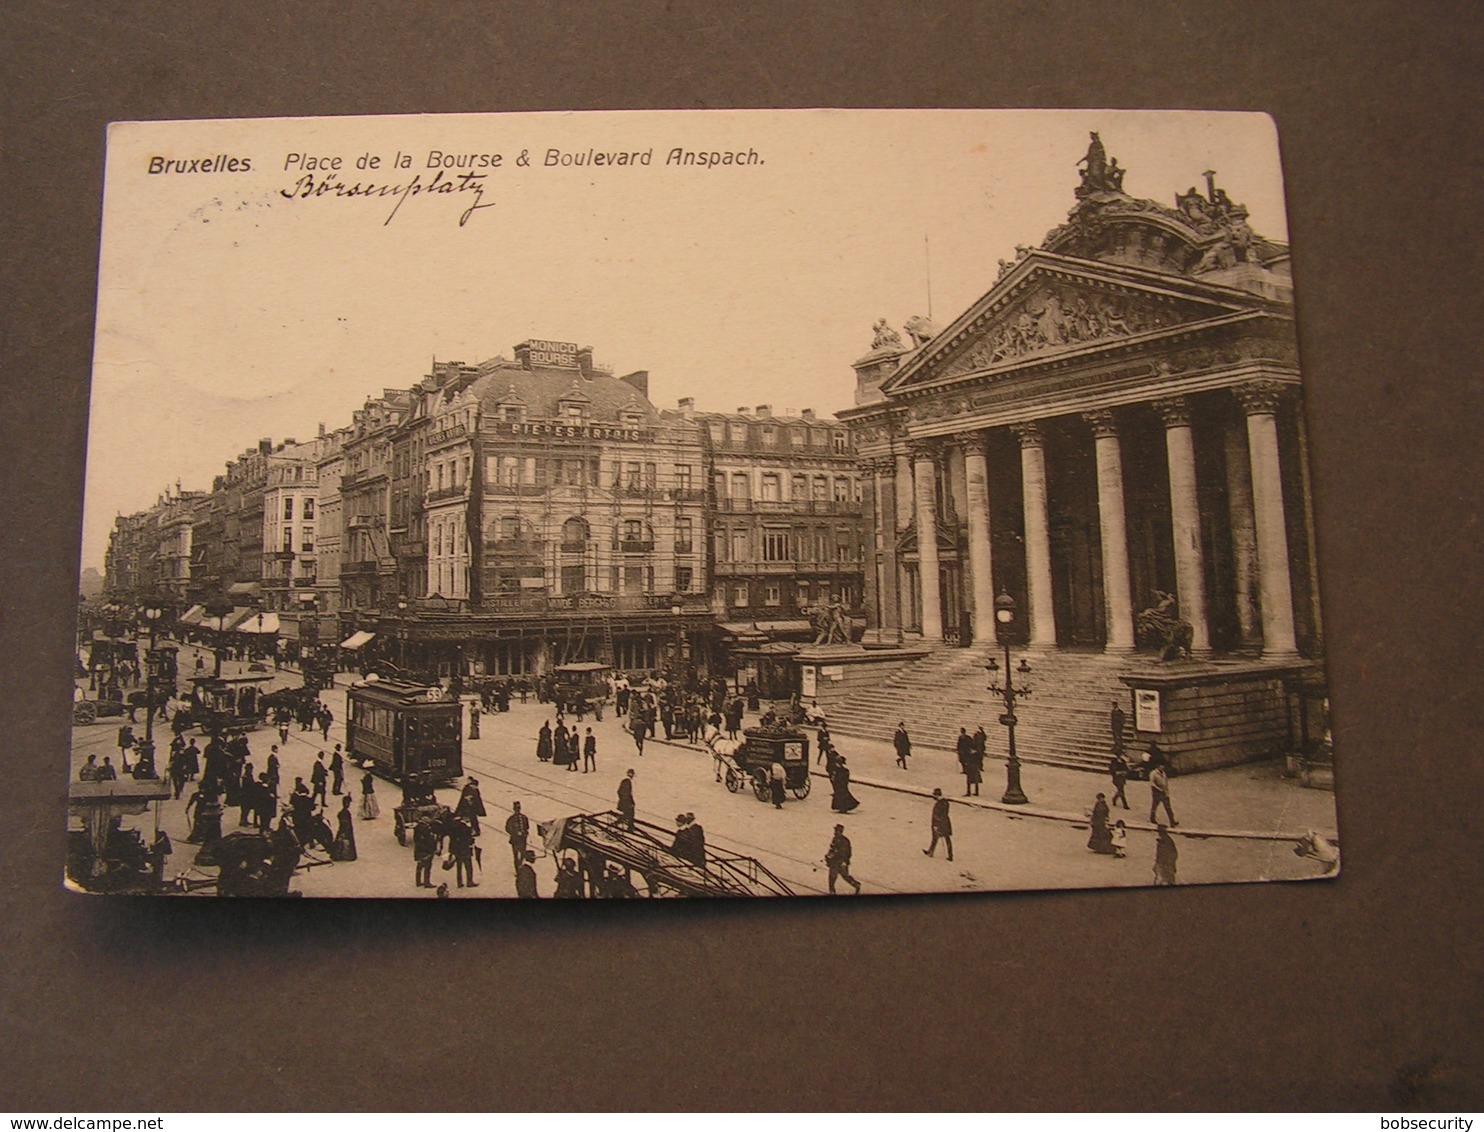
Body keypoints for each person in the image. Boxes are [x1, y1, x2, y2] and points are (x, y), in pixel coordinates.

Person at [825, 824, 862, 895]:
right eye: (835, 830)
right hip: (834, 862)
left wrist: (844, 861)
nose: (835, 832)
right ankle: (832, 892)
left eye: (837, 831)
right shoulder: (835, 839)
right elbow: (832, 849)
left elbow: (847, 852)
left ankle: (856, 885)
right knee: (831, 878)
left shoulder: (844, 841)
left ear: (840, 831)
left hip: (841, 862)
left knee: (845, 876)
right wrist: (828, 856)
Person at [924, 788, 953, 861]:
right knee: (942, 838)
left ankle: (949, 855)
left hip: (939, 823)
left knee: (939, 838)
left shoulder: (939, 804)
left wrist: (936, 824)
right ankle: (931, 852)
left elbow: (937, 815)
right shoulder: (945, 802)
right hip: (946, 822)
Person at [448, 816, 477, 888]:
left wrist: (451, 851)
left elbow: (451, 840)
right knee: (468, 866)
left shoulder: (452, 828)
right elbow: (471, 836)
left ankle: (459, 883)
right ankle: (469, 881)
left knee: (459, 867)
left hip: (457, 850)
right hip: (465, 849)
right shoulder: (464, 827)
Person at [412, 816, 438, 888]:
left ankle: (418, 881)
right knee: (427, 867)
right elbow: (428, 840)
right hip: (426, 851)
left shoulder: (418, 828)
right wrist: (431, 849)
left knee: (419, 866)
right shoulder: (425, 828)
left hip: (419, 850)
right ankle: (427, 882)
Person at [1148, 762, 1177, 826]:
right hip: (1157, 793)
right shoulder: (1153, 773)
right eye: (1161, 766)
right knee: (1154, 806)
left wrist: (1166, 790)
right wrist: (1159, 789)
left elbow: (1166, 782)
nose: (1163, 767)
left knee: (1168, 807)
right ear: (1157, 766)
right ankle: (1152, 818)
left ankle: (1172, 821)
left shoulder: (1164, 773)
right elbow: (1152, 783)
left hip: (1164, 792)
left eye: (1163, 766)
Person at [332, 795, 357, 861]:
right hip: (346, 829)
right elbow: (345, 824)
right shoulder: (345, 813)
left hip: (344, 829)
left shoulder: (343, 812)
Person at [505, 802, 530, 867]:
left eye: (518, 808)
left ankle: (520, 866)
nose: (517, 810)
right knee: (516, 855)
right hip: (515, 840)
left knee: (522, 854)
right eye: (516, 809)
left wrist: (524, 833)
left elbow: (527, 827)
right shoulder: (511, 819)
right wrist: (515, 833)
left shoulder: (524, 817)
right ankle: (518, 868)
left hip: (522, 839)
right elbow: (508, 828)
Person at [1153, 820, 1178, 885]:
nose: (1159, 833)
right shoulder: (1163, 840)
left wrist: (1170, 863)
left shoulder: (1165, 841)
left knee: (1166, 879)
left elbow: (1172, 853)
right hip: (1164, 863)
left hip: (1165, 863)